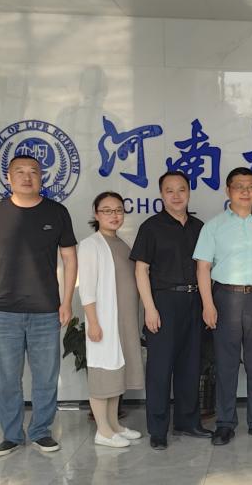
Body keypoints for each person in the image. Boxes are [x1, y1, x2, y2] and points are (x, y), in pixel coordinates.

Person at [0, 154, 78, 456]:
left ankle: (41, 432)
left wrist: (66, 301)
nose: (27, 177)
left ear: (42, 177)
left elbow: (70, 259)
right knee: (7, 379)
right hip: (3, 310)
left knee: (46, 378)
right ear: (8, 177)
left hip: (46, 309)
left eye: (33, 172)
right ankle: (12, 435)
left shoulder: (57, 212)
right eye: (20, 172)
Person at [195, 167, 252, 446]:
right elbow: (203, 268)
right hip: (226, 297)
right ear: (228, 190)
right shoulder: (214, 226)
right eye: (239, 186)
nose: (246, 192)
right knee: (226, 363)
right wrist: (207, 304)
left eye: (251, 186)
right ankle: (225, 423)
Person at [131, 171, 208, 450]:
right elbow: (141, 270)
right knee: (160, 369)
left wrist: (207, 305)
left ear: (189, 192)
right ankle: (158, 429)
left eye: (181, 189)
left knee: (191, 365)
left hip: (194, 301)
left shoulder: (200, 227)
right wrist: (149, 308)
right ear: (161, 194)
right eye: (169, 190)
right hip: (163, 302)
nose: (176, 196)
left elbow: (206, 268)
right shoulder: (151, 227)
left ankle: (188, 422)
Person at [78, 192, 144, 448]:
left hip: (124, 320)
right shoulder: (91, 245)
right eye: (107, 210)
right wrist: (93, 322)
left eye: (118, 210)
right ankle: (103, 431)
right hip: (104, 321)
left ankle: (114, 425)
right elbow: (87, 289)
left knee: (117, 373)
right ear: (96, 214)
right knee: (103, 373)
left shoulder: (121, 243)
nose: (114, 215)